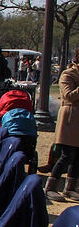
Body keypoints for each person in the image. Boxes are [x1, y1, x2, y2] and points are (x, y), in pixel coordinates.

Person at [45, 47, 79, 201]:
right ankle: (50, 187)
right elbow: (68, 95)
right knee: (66, 155)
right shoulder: (68, 74)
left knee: (78, 156)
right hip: (70, 118)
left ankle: (70, 188)